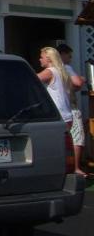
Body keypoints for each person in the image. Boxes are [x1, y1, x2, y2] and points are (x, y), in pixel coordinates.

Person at [38, 47, 77, 161]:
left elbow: (31, 80)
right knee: (62, 147)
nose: (39, 59)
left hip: (57, 115)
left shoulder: (49, 71)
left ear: (49, 59)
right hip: (67, 115)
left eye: (42, 57)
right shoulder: (61, 71)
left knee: (49, 147)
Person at [56, 43, 88, 176]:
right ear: (62, 55)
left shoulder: (51, 70)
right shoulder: (65, 68)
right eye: (69, 56)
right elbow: (78, 83)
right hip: (70, 108)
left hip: (56, 111)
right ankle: (76, 167)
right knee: (77, 137)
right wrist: (82, 79)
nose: (70, 59)